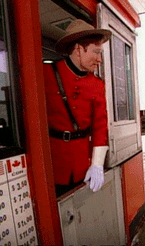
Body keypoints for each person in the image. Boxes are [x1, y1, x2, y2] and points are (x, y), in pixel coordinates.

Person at [43, 19, 111, 196]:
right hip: (52, 163)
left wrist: (96, 164)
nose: (99, 60)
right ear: (78, 49)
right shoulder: (46, 74)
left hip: (83, 165)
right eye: (96, 52)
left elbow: (100, 126)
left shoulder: (97, 85)